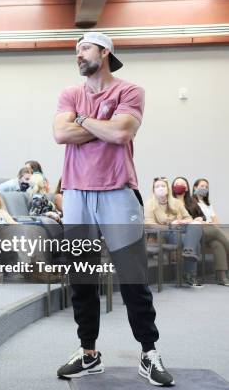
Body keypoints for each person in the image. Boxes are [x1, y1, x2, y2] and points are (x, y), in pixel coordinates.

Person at [53, 32, 174, 386]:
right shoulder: (69, 94)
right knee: (82, 278)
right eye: (76, 50)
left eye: (85, 48)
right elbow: (60, 134)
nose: (78, 55)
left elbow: (122, 133)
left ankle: (148, 353)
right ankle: (88, 353)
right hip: (75, 193)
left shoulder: (130, 91)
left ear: (105, 52)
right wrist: (99, 125)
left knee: (133, 277)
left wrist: (83, 121)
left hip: (118, 192)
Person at [145, 177, 203, 287]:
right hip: (165, 232)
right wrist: (170, 225)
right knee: (194, 242)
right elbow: (149, 224)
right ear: (153, 190)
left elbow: (189, 218)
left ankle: (188, 252)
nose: (160, 188)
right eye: (157, 187)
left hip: (181, 228)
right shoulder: (149, 204)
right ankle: (190, 274)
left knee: (196, 223)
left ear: (168, 188)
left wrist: (180, 221)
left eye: (163, 186)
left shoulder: (176, 202)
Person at [172, 177, 229, 285]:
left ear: (187, 187)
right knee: (216, 232)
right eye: (177, 183)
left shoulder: (191, 201)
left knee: (217, 244)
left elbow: (202, 216)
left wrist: (200, 219)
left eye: (183, 184)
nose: (180, 186)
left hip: (198, 230)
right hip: (187, 232)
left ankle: (221, 277)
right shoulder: (171, 202)